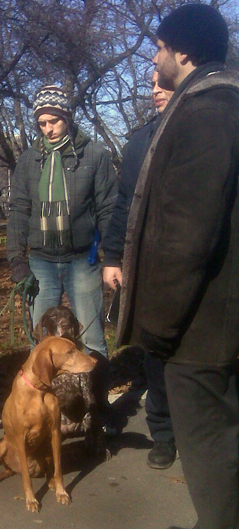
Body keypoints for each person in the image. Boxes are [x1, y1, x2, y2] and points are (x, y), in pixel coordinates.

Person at [116, 5, 239, 529]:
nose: (153, 62)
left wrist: (158, 328)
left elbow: (187, 235)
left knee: (210, 449)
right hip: (214, 320)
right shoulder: (215, 106)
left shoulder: (208, 112)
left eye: (159, 49)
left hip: (201, 329)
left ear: (183, 51)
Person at [7, 85, 118, 427]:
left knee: (94, 338)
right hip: (40, 261)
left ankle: (99, 411)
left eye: (54, 121)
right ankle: (43, 411)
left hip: (81, 260)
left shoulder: (94, 155)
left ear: (67, 118)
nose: (48, 129)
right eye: (41, 123)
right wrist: (17, 260)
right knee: (42, 345)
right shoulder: (28, 160)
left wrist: (111, 256)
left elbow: (108, 208)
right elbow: (19, 210)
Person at [102, 72, 176, 469]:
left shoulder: (217, 126)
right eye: (151, 85)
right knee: (155, 352)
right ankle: (163, 433)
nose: (155, 90)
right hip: (150, 268)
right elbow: (123, 206)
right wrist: (112, 256)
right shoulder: (138, 143)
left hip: (207, 270)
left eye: (163, 82)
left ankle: (206, 433)